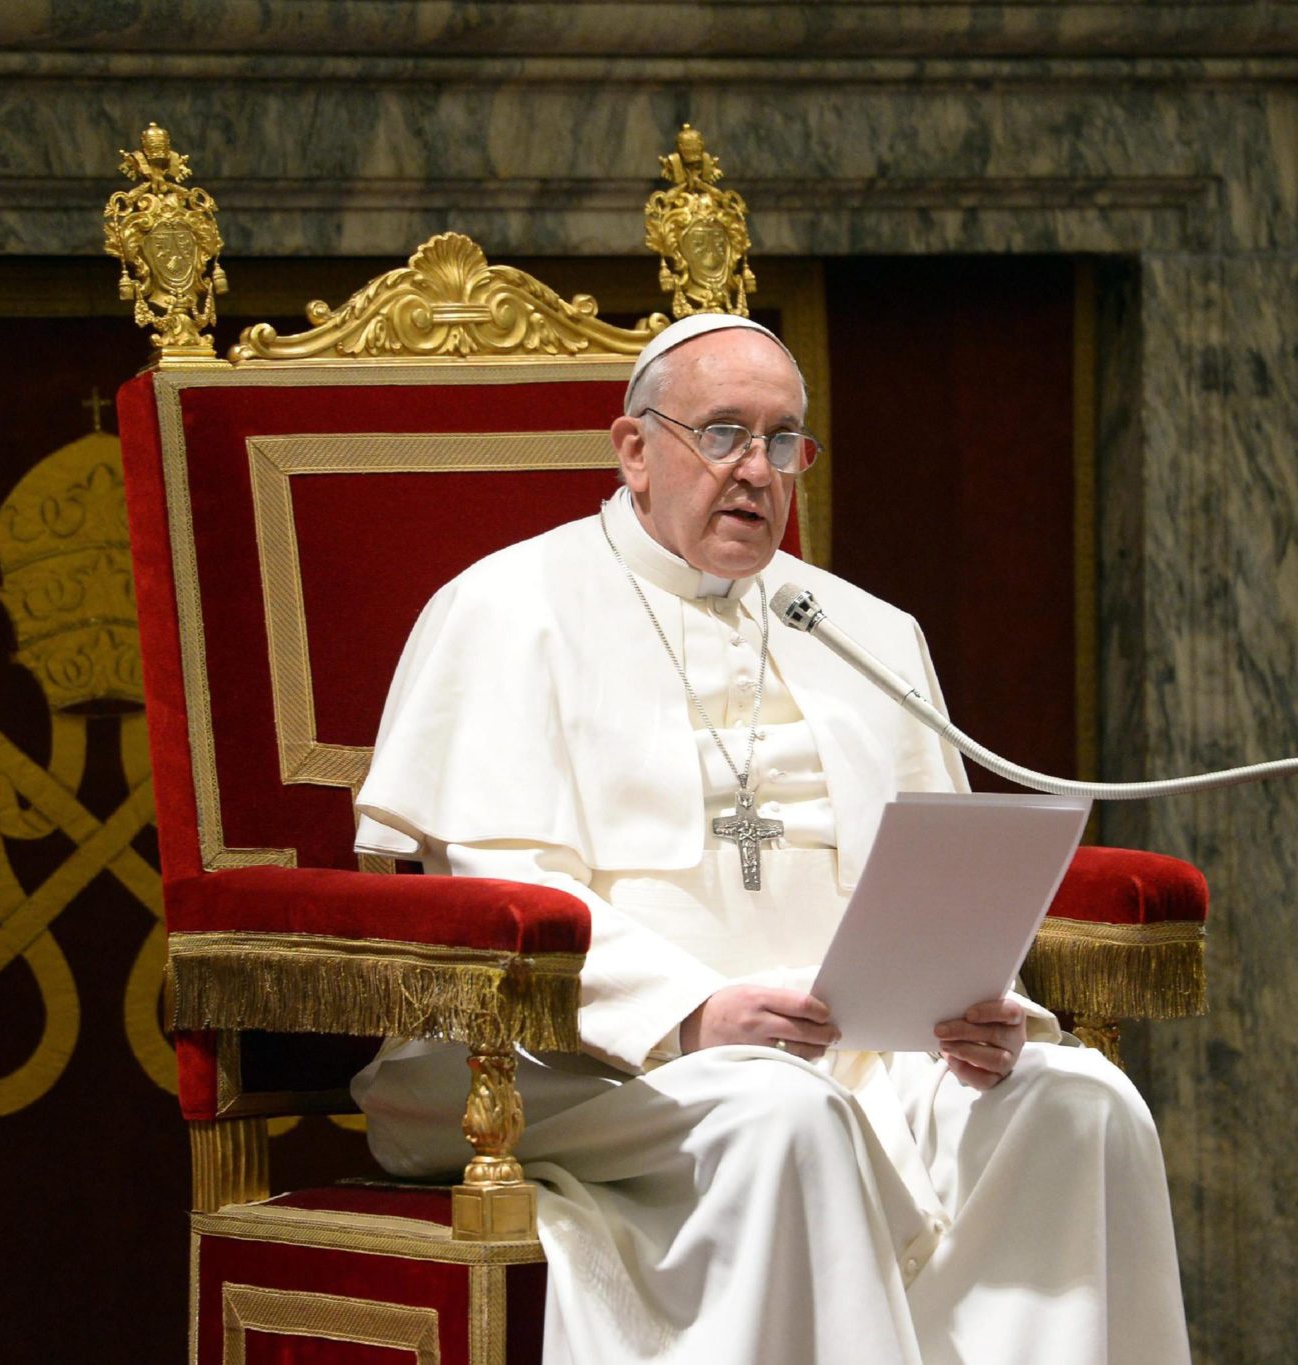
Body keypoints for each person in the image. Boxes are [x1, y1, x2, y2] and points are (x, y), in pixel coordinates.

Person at [351, 312, 1190, 1365]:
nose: (756, 470)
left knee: (1078, 1103)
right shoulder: (508, 610)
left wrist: (973, 1002)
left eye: (783, 440)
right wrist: (692, 1013)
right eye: (722, 434)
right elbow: (496, 891)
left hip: (849, 1052)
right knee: (785, 1118)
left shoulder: (855, 629)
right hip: (572, 1065)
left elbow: (926, 876)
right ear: (634, 450)